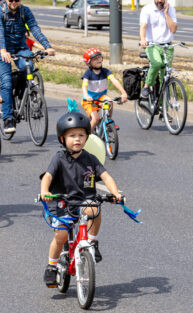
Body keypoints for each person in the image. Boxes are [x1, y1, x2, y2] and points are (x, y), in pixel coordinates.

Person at [40, 111, 122, 287]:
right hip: (62, 202)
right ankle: (52, 266)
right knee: (61, 235)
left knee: (95, 207)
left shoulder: (90, 159)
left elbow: (106, 177)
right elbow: (47, 176)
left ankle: (92, 242)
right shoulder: (59, 158)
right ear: (62, 139)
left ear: (87, 137)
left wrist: (115, 193)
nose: (77, 139)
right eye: (72, 135)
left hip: (84, 199)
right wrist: (44, 191)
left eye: (81, 135)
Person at [0, 0, 55, 134]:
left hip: (20, 48)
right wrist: (3, 49)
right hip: (1, 50)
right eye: (11, 0)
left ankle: (22, 94)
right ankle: (8, 118)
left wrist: (47, 46)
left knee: (29, 67)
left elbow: (35, 28)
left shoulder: (25, 11)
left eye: (17, 0)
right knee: (7, 82)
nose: (14, 2)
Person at [81, 48, 128, 132]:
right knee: (96, 119)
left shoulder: (105, 71)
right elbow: (84, 86)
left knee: (109, 100)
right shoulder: (88, 73)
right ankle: (87, 138)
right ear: (89, 63)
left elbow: (114, 81)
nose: (98, 60)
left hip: (101, 97)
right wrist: (87, 96)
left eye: (99, 57)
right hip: (89, 100)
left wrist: (123, 93)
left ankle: (109, 120)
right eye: (95, 59)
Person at [139, 0, 177, 99]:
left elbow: (173, 29)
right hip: (152, 45)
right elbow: (143, 26)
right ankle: (147, 85)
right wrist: (143, 39)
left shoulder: (170, 9)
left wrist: (166, 13)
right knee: (157, 63)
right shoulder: (147, 9)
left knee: (166, 77)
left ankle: (163, 109)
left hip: (167, 46)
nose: (160, 1)